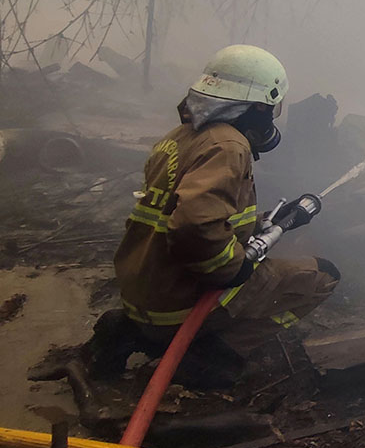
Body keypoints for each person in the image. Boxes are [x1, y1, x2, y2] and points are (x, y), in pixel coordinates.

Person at [85, 44, 341, 385]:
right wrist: (234, 268)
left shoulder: (179, 138)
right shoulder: (229, 146)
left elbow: (190, 213)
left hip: (143, 292)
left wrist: (269, 221)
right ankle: (211, 357)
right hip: (178, 306)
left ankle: (136, 331)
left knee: (270, 271)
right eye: (271, 108)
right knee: (323, 277)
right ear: (257, 109)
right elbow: (194, 223)